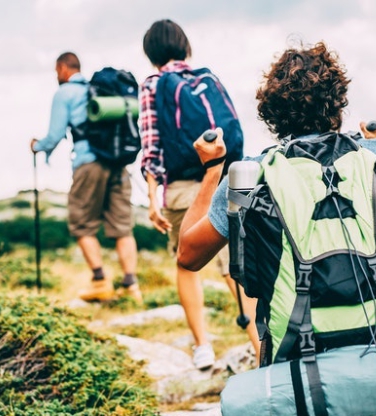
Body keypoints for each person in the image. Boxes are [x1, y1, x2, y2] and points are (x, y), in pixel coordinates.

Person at [176, 41, 376, 415]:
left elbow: (189, 255)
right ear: (338, 103)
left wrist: (212, 170)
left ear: (271, 113)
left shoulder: (251, 177)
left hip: (300, 367)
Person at [140, 19, 260, 370]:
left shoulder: (154, 85)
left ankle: (203, 346)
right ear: (184, 46)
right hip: (223, 176)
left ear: (151, 53)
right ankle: (261, 346)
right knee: (233, 267)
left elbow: (151, 147)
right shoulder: (208, 79)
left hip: (180, 188)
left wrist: (152, 196)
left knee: (186, 262)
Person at [31, 52, 141, 304]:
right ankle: (130, 286)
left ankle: (100, 281)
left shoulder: (65, 93)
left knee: (81, 223)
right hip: (117, 163)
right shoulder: (98, 89)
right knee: (122, 226)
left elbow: (55, 134)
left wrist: (38, 147)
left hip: (88, 162)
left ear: (62, 68)